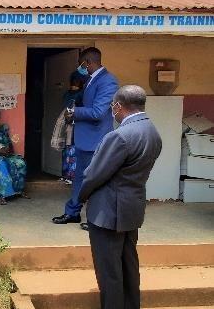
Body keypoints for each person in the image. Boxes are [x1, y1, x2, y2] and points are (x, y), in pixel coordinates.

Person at [79, 85, 162, 309]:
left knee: (109, 273)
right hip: (132, 208)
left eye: (112, 107)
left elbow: (94, 175)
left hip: (108, 212)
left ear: (117, 106)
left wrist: (81, 197)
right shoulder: (152, 131)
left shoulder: (119, 136)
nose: (112, 111)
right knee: (128, 266)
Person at [53, 47, 118, 229]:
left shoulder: (108, 81)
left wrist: (74, 112)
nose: (81, 68)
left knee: (97, 180)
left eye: (82, 64)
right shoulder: (90, 79)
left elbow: (98, 112)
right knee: (80, 178)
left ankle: (98, 219)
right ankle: (72, 212)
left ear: (87, 62)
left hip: (96, 140)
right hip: (85, 139)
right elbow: (75, 98)